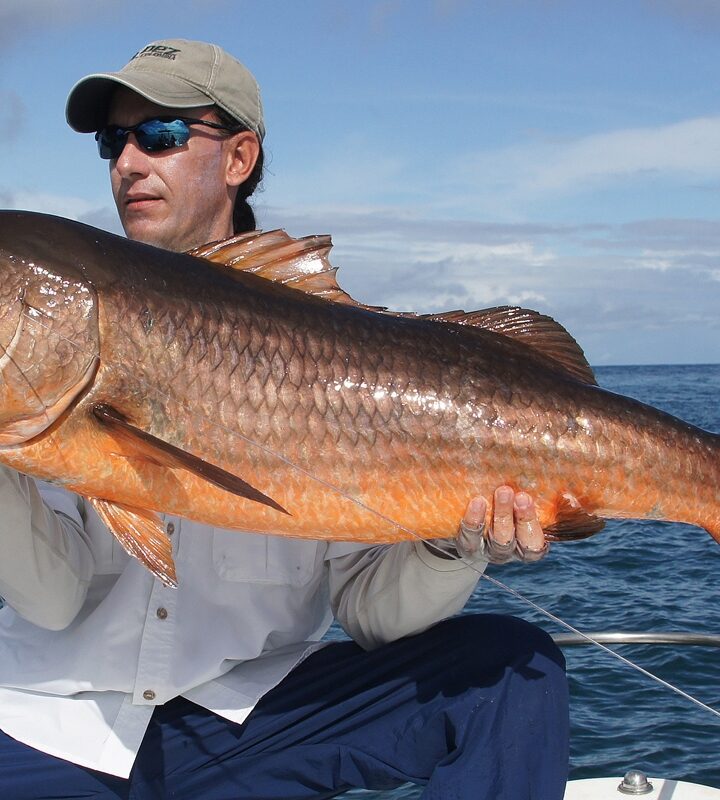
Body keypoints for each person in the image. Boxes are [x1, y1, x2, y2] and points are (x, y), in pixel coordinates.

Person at [0, 39, 569, 799]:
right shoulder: (50, 378)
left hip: (250, 723)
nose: (129, 162)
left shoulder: (325, 348)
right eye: (113, 141)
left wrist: (456, 545)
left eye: (160, 134)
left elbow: (374, 617)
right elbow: (53, 600)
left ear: (239, 157)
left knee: (511, 669)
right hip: (45, 719)